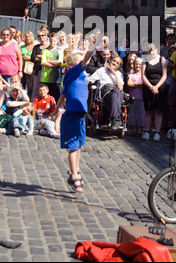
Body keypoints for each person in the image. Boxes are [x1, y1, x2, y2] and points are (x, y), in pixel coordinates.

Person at [53, 39, 96, 193]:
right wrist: (92, 46)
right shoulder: (72, 72)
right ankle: (73, 175)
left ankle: (76, 171)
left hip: (80, 115)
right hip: (71, 115)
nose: (82, 65)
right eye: (79, 62)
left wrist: (55, 110)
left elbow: (62, 96)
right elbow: (86, 58)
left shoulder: (79, 77)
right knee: (73, 146)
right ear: (71, 66)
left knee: (78, 145)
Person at [88, 55, 125, 130]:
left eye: (117, 63)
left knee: (116, 92)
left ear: (118, 66)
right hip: (105, 92)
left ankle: (115, 119)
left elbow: (120, 87)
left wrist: (114, 74)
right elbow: (90, 80)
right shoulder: (102, 70)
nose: (114, 63)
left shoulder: (119, 74)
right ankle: (119, 115)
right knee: (115, 93)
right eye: (114, 61)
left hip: (116, 93)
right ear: (110, 61)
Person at [141, 44, 167, 141]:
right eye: (149, 51)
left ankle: (157, 132)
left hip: (159, 86)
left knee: (158, 110)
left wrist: (157, 86)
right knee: (148, 110)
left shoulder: (162, 59)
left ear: (156, 50)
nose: (151, 53)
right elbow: (143, 76)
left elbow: (164, 75)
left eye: (152, 50)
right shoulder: (145, 60)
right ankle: (147, 131)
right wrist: (151, 87)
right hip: (148, 86)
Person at [41, 32, 63, 102]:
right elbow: (43, 62)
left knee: (56, 96)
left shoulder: (59, 50)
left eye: (54, 41)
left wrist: (48, 61)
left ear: (57, 41)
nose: (52, 43)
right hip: (46, 78)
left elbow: (59, 61)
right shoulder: (45, 50)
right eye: (50, 41)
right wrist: (54, 64)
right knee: (46, 96)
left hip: (56, 78)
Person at [127, 57, 145, 136]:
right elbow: (129, 83)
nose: (138, 66)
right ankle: (132, 127)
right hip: (133, 97)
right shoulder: (131, 74)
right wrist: (137, 85)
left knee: (141, 113)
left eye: (140, 64)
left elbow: (143, 85)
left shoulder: (144, 75)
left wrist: (135, 84)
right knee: (132, 113)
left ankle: (142, 128)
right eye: (136, 64)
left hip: (142, 97)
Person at [30, 30, 49, 101]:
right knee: (36, 88)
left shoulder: (49, 47)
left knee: (45, 89)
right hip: (37, 70)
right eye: (39, 36)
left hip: (47, 71)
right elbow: (32, 58)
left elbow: (50, 58)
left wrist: (40, 57)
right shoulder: (36, 47)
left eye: (43, 35)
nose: (41, 37)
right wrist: (44, 58)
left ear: (46, 36)